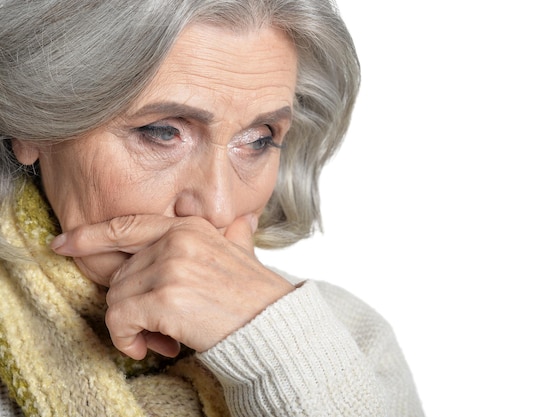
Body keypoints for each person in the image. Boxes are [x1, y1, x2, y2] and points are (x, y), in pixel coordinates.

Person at [0, 0, 424, 416]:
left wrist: (273, 346)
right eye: (163, 132)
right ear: (33, 123)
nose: (218, 209)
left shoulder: (346, 338)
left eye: (258, 138)